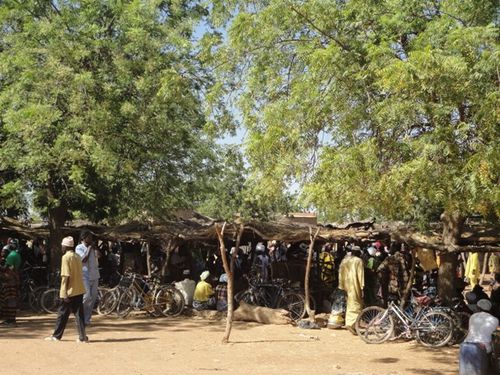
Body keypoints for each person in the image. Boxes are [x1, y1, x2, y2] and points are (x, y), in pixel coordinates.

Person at [45, 236, 87, 342]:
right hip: (79, 289)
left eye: (62, 245)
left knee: (62, 313)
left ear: (65, 246)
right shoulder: (77, 256)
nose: (61, 247)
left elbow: (66, 276)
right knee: (79, 314)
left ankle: (56, 336)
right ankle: (83, 337)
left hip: (70, 290)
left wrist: (64, 293)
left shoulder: (65, 257)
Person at [459, 299, 499, 375]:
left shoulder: (473, 317)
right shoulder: (495, 320)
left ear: (478, 308)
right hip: (484, 347)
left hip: (467, 344)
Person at [338, 246, 364, 334]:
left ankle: (350, 322)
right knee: (356, 304)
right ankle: (352, 323)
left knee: (349, 303)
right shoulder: (358, 261)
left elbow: (340, 274)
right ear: (357, 253)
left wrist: (341, 286)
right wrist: (362, 287)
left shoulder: (344, 260)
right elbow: (361, 275)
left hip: (345, 285)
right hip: (355, 286)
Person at [75, 230, 100, 326]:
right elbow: (83, 259)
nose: (91, 239)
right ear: (83, 238)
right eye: (89, 237)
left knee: (93, 298)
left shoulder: (92, 248)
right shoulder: (79, 248)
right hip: (84, 275)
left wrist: (95, 249)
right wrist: (89, 248)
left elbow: (99, 256)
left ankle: (87, 319)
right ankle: (80, 316)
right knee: (86, 297)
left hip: (95, 275)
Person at [0, 259, 20, 326]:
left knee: (10, 304)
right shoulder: (8, 268)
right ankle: (8, 320)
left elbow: (8, 277)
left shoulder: (8, 270)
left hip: (10, 287)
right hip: (8, 287)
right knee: (6, 304)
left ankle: (12, 320)